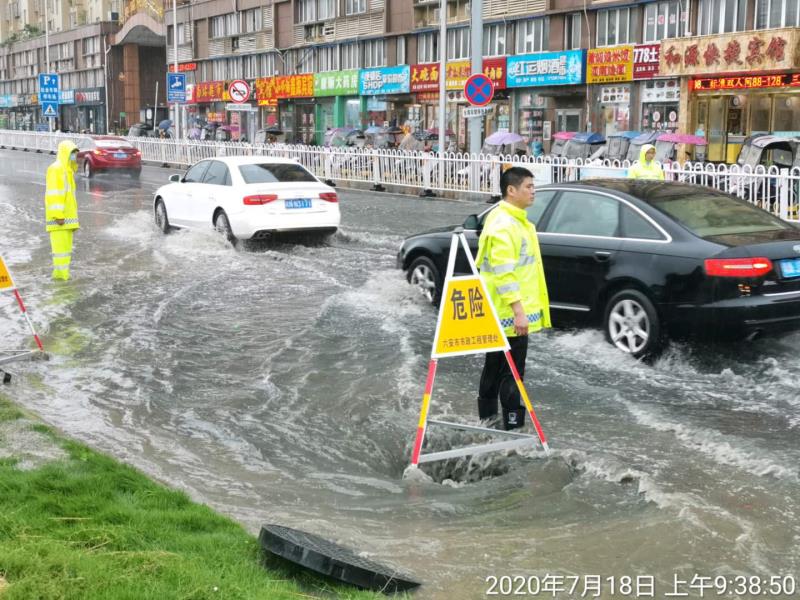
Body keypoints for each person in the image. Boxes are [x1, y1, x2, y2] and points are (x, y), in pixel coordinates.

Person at [476, 166, 551, 430]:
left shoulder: (513, 220)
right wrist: (519, 311)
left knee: (495, 365)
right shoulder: (505, 225)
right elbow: (504, 273)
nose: (533, 192)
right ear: (511, 190)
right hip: (509, 313)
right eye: (528, 186)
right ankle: (512, 428)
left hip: (502, 311)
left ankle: (487, 422)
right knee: (513, 372)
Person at [45, 140, 80, 281]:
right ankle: (60, 280)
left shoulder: (67, 170)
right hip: (60, 221)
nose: (74, 156)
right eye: (72, 153)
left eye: (75, 153)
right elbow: (54, 194)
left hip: (66, 221)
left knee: (65, 254)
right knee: (60, 254)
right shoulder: (57, 169)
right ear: (65, 153)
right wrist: (58, 215)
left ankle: (63, 276)